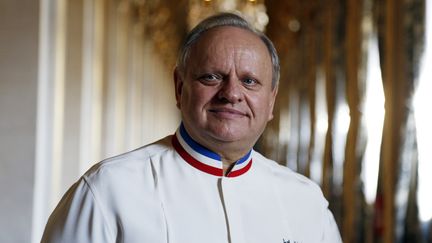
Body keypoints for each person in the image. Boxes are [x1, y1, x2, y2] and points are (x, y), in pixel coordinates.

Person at [41, 13, 342, 243]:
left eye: (250, 81)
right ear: (179, 87)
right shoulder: (107, 191)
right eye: (212, 77)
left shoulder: (306, 202)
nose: (232, 93)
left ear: (271, 100)